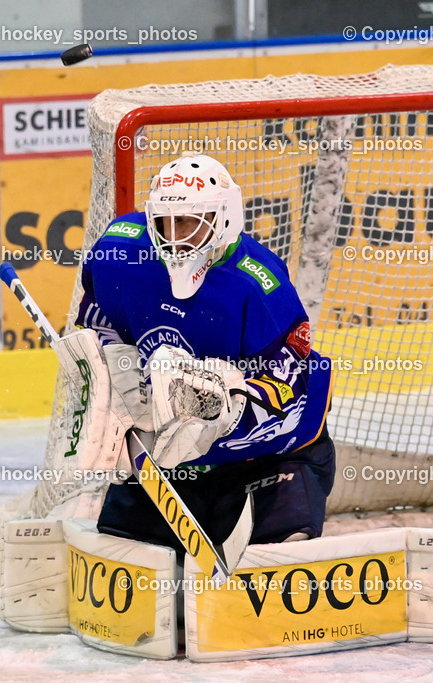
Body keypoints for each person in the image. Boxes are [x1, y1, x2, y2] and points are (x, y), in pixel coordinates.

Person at [74, 152, 336, 555]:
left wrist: (223, 417)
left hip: (267, 457)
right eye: (166, 222)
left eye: (191, 224)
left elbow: (290, 383)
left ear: (223, 220)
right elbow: (99, 316)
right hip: (168, 460)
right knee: (128, 557)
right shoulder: (120, 253)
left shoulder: (258, 285)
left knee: (278, 556)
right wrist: (115, 376)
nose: (175, 237)